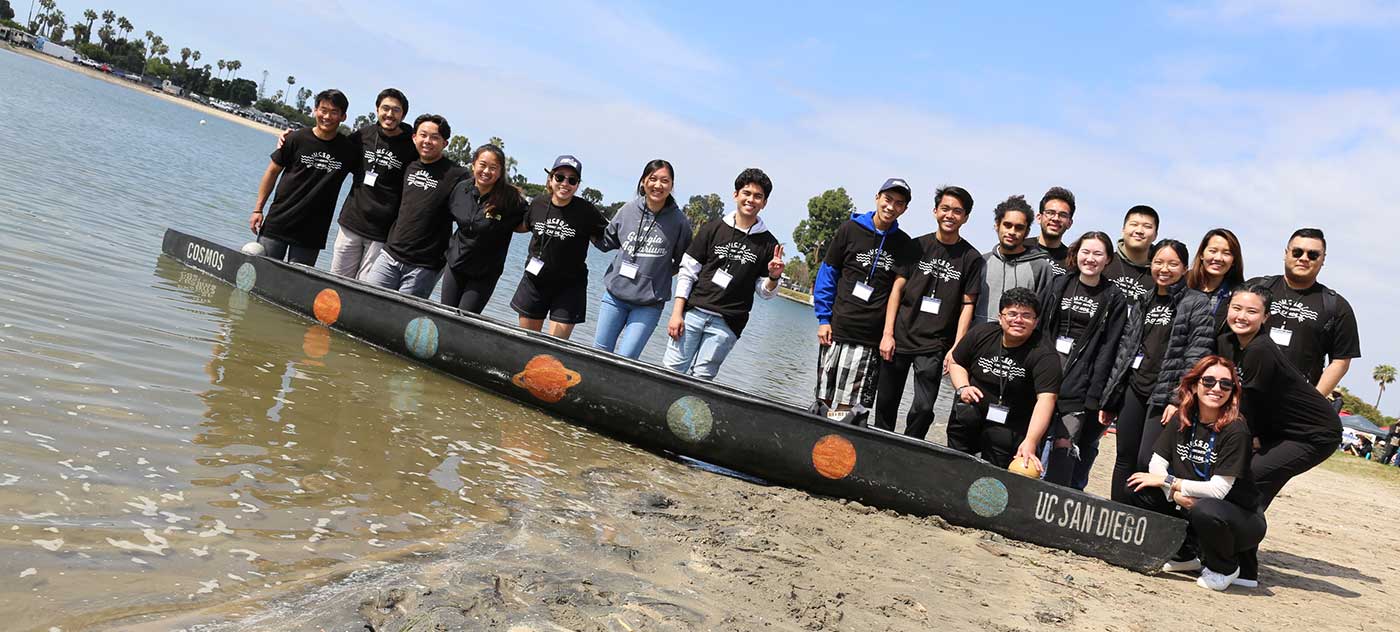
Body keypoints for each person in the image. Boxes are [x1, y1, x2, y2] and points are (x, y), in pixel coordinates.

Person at [1217, 283, 1342, 587]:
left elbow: (1251, 405)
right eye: (1236, 308)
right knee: (1254, 491)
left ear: (1266, 317)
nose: (1242, 316)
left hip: (1314, 434)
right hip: (1281, 431)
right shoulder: (1227, 342)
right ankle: (1243, 568)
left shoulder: (1260, 350)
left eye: (1251, 311)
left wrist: (1251, 439)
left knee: (1249, 481)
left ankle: (1236, 565)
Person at [1126, 355, 1266, 592]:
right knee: (1137, 487)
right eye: (1209, 381)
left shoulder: (1236, 428)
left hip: (1238, 518)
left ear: (1233, 391)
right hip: (1194, 501)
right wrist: (1171, 490)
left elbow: (1218, 490)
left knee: (1205, 508)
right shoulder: (1183, 417)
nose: (1216, 388)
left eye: (1226, 384)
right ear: (1194, 384)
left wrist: (1170, 482)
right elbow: (1156, 463)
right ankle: (1185, 554)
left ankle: (1225, 567)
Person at [1102, 239, 1215, 502]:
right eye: (1159, 262)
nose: (1164, 269)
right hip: (1135, 387)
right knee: (1124, 456)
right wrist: (1111, 396)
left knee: (1147, 459)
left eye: (1173, 263)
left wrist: (1179, 400)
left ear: (1185, 268)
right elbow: (1126, 350)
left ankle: (1140, 516)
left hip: (1165, 395)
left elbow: (1197, 355)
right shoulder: (1144, 300)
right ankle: (1115, 511)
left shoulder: (1196, 303)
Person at [876, 185, 983, 439]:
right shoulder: (915, 246)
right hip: (900, 337)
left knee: (923, 408)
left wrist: (956, 349)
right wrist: (887, 333)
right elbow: (896, 291)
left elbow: (968, 305)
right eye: (945, 208)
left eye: (957, 211)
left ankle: (911, 448)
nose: (950, 215)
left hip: (935, 344)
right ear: (935, 211)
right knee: (886, 404)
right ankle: (880, 446)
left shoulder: (971, 258)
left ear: (965, 217)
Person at [812, 178, 919, 425]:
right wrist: (823, 319)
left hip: (870, 339)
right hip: (836, 329)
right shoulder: (849, 229)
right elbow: (828, 273)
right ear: (877, 198)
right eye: (888, 199)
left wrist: (888, 333)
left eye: (899, 203)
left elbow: (898, 292)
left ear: (904, 209)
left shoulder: (903, 243)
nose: (891, 207)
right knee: (823, 399)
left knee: (852, 407)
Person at [664, 168, 783, 379]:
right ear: (736, 194)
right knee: (670, 372)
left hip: (726, 324)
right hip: (692, 314)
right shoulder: (713, 228)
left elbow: (764, 293)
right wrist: (676, 314)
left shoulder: (768, 244)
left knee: (702, 379)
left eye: (758, 196)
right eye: (746, 193)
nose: (751, 200)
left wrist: (773, 277)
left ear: (764, 203)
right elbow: (687, 272)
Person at [1035, 231, 1128, 487]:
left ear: (1108, 259)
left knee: (1065, 443)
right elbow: (1041, 327)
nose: (1090, 258)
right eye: (1086, 252)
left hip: (1081, 379)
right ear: (1076, 254)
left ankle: (1055, 495)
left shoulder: (1114, 297)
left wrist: (1095, 396)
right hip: (1047, 370)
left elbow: (1109, 348)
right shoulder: (1059, 284)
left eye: (1098, 253)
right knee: (1036, 435)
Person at [947, 287, 1062, 468]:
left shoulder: (1045, 354)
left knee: (995, 469)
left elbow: (1047, 399)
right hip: (973, 412)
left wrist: (1031, 441)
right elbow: (956, 362)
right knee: (960, 435)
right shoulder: (982, 333)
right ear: (1000, 317)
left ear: (1036, 321)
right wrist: (963, 387)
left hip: (1011, 423)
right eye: (1012, 314)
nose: (1018, 320)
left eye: (1026, 315)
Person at [593, 159, 693, 359]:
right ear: (643, 182)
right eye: (653, 179)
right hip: (614, 297)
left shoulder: (679, 221)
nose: (658, 185)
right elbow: (606, 242)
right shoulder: (627, 210)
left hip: (648, 304)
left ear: (672, 186)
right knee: (598, 354)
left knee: (627, 359)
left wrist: (659, 275)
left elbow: (684, 263)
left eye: (665, 180)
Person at [248, 89, 359, 265]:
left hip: (313, 231)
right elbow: (271, 172)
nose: (327, 116)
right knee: (261, 272)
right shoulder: (295, 139)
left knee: (296, 285)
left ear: (343, 117)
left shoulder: (349, 151)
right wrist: (258, 209)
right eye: (323, 110)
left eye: (334, 112)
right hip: (279, 221)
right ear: (315, 110)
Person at [362, 115, 468, 298]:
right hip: (390, 254)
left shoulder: (458, 175)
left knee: (400, 317)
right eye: (423, 135)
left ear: (445, 143)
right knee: (366, 300)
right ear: (414, 138)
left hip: (425, 265)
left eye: (434, 137)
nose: (427, 141)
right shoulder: (407, 166)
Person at [1247, 228, 1361, 397]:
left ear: (1323, 259)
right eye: (1297, 252)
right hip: (1243, 392)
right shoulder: (1254, 288)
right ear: (1286, 253)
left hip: (1293, 403)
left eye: (1313, 255)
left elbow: (1341, 361)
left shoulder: (1336, 306)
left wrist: (1313, 400)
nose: (1304, 258)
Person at [510, 155, 608, 340]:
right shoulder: (538, 203)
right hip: (534, 281)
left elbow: (609, 237)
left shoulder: (586, 211)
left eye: (572, 180)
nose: (565, 183)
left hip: (569, 287)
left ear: (577, 184)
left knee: (555, 347)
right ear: (551, 178)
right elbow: (520, 225)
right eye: (560, 177)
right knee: (527, 341)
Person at [326, 88, 418, 280]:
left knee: (365, 286)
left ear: (403, 114)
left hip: (382, 232)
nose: (389, 114)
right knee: (336, 281)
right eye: (385, 108)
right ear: (377, 109)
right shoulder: (362, 136)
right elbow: (330, 148)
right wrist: (291, 136)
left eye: (396, 110)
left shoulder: (412, 147)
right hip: (351, 222)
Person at [439, 144, 527, 313]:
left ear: (501, 171)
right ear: (473, 164)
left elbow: (529, 222)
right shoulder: (461, 189)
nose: (487, 171)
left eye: (493, 168)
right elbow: (445, 215)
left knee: (465, 321)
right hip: (456, 263)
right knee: (444, 315)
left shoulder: (511, 199)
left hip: (484, 273)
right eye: (483, 165)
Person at [972, 195, 1055, 323]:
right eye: (1007, 225)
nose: (1012, 231)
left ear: (1027, 232)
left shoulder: (1041, 268)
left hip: (1021, 341)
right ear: (997, 225)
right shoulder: (981, 262)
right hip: (980, 339)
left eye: (1019, 227)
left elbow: (1043, 313)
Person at [1186, 228, 1245, 333]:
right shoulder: (1182, 283)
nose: (1218, 258)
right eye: (1213, 251)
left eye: (1226, 253)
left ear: (1234, 261)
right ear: (1201, 254)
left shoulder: (1239, 295)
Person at [1103, 205, 1159, 304]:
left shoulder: (1158, 275)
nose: (1139, 231)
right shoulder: (1104, 262)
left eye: (1147, 226)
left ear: (1155, 235)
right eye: (1134, 224)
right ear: (1123, 229)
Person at [1033, 187, 1076, 276]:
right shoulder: (1021, 248)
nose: (1056, 218)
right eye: (1050, 213)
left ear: (1069, 223)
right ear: (1039, 218)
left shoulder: (1071, 261)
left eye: (1063, 215)